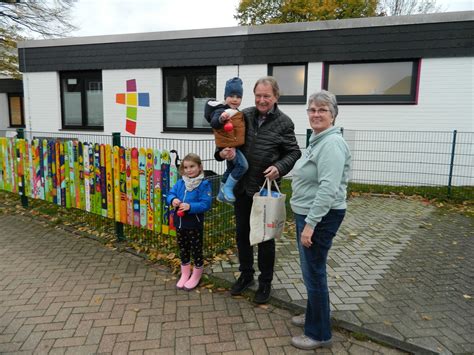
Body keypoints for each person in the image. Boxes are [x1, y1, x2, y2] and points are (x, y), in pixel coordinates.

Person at [216, 76, 301, 304]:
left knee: (265, 239)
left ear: (276, 97)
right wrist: (221, 153)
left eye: (267, 96)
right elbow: (225, 140)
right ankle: (246, 275)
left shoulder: (285, 122)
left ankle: (265, 283)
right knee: (242, 235)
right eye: (258, 96)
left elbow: (293, 153)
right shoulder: (244, 115)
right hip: (243, 188)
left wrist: (279, 168)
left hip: (264, 191)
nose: (262, 100)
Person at [289, 90, 351, 350]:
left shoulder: (331, 144)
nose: (316, 114)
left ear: (333, 115)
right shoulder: (318, 139)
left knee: (314, 272)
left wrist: (311, 224)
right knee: (310, 271)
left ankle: (319, 333)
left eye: (322, 110)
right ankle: (315, 315)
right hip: (308, 212)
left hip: (320, 217)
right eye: (312, 110)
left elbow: (328, 188)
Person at [167, 153, 212, 291]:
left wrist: (190, 207)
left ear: (200, 167)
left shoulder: (204, 185)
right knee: (183, 249)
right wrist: (173, 200)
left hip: (194, 224)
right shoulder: (180, 183)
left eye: (192, 166)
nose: (189, 170)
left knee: (196, 250)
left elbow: (206, 204)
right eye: (186, 167)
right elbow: (170, 194)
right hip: (180, 223)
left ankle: (196, 275)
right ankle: (185, 274)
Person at [204, 77, 247, 203]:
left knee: (230, 169)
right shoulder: (221, 110)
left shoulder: (236, 112)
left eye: (238, 97)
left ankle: (221, 194)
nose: (235, 99)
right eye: (232, 96)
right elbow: (214, 122)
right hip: (228, 146)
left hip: (234, 145)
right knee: (243, 165)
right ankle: (228, 188)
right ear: (225, 96)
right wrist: (222, 119)